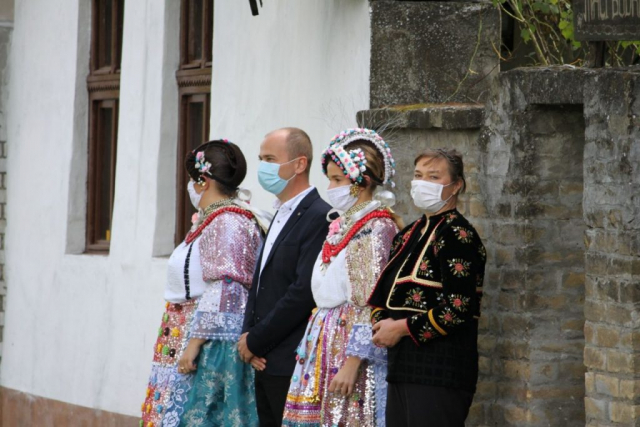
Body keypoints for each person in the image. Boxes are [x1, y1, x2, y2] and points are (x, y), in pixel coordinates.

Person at [141, 140, 268, 427]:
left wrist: (195, 343)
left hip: (209, 339)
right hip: (187, 330)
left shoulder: (228, 221)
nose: (190, 186)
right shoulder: (214, 219)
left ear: (204, 181)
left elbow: (226, 287)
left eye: (192, 180)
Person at [282, 128, 401, 427]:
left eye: (337, 180)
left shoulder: (374, 227)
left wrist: (353, 361)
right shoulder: (345, 223)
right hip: (325, 333)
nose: (331, 187)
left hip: (347, 340)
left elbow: (367, 298)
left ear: (363, 182)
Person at [368, 148, 486, 427]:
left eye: (434, 177)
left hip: (441, 371)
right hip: (402, 366)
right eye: (419, 175)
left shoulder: (458, 234)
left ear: (456, 185)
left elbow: (459, 308)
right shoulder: (407, 233)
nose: (423, 183)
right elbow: (383, 296)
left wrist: (399, 328)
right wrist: (381, 324)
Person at [239, 127, 331, 427]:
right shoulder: (278, 211)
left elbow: (302, 291)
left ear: (299, 164)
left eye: (269, 158)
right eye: (260, 158)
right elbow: (260, 280)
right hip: (261, 356)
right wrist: (247, 338)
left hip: (289, 357)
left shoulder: (319, 215)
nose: (262, 166)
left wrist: (257, 339)